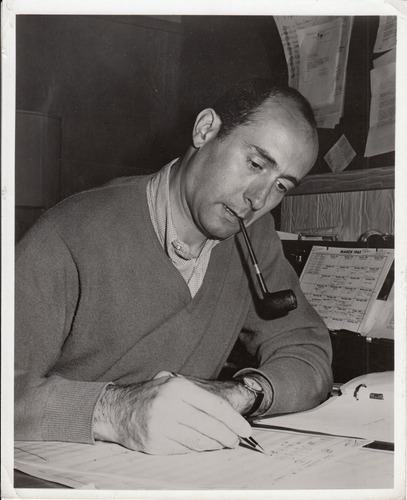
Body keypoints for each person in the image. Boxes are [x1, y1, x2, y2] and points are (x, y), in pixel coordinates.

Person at [15, 78, 333, 455]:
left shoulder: (254, 239)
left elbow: (307, 352)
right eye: (255, 163)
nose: (258, 198)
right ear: (205, 130)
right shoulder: (70, 231)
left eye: (281, 185)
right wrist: (116, 411)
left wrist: (243, 393)